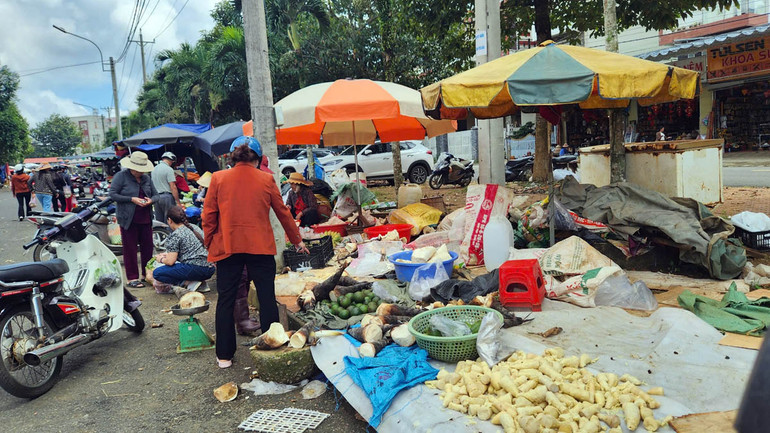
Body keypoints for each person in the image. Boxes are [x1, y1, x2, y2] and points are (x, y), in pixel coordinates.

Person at [202, 136, 308, 369]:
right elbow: (283, 213)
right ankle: (272, 347)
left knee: (226, 300)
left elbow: (208, 216)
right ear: (258, 160)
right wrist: (297, 241)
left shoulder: (218, 179)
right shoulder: (267, 179)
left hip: (228, 247)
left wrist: (210, 242)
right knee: (266, 297)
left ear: (232, 158)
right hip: (260, 247)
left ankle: (224, 356)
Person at [109, 151, 160, 288]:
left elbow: (156, 195)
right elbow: (113, 194)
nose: (140, 172)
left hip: (146, 218)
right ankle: (132, 278)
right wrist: (131, 199)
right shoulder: (121, 177)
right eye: (139, 170)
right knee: (130, 249)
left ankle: (147, 274)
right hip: (128, 219)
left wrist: (151, 200)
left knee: (148, 248)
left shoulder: (146, 178)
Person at [152, 206, 215, 292]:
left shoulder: (176, 235)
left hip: (195, 268)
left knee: (157, 273)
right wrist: (168, 255)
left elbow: (170, 262)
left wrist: (161, 259)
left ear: (170, 220)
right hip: (210, 268)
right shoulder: (194, 227)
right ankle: (199, 282)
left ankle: (189, 283)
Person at [151, 151, 181, 223]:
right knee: (170, 220)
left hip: (156, 197)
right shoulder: (169, 169)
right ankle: (170, 234)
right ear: (171, 160)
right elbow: (172, 186)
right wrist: (178, 202)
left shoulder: (154, 169)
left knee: (160, 221)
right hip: (167, 197)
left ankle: (161, 234)